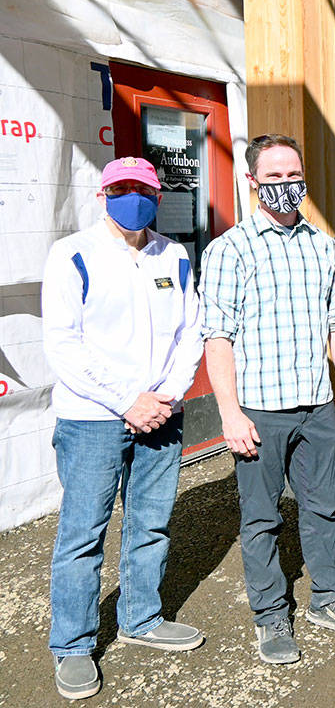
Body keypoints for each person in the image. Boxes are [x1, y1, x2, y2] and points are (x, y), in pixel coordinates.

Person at [201, 134, 335, 665]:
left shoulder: (322, 246)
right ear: (252, 182)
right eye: (273, 176)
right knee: (260, 518)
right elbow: (217, 337)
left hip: (317, 406)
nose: (285, 184)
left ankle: (328, 597)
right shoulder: (229, 250)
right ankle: (271, 614)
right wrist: (229, 412)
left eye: (292, 175)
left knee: (324, 506)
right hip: (258, 410)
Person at [42, 157, 206, 700]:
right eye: (122, 188)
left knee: (152, 523)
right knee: (82, 535)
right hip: (92, 419)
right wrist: (125, 401)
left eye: (143, 189)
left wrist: (168, 394)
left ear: (158, 196)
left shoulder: (174, 254)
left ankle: (142, 618)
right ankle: (72, 644)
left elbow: (191, 329)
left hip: (162, 412)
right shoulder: (72, 255)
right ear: (103, 193)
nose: (132, 197)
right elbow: (64, 345)